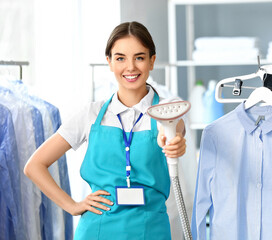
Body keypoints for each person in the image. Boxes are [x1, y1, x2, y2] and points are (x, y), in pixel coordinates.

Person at [24, 21, 187, 240]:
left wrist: (173, 140)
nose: (130, 67)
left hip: (150, 231)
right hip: (97, 230)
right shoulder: (90, 114)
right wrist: (72, 206)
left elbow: (174, 130)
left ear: (152, 61)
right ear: (109, 62)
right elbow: (34, 166)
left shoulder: (166, 110)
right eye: (120, 58)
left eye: (139, 57)